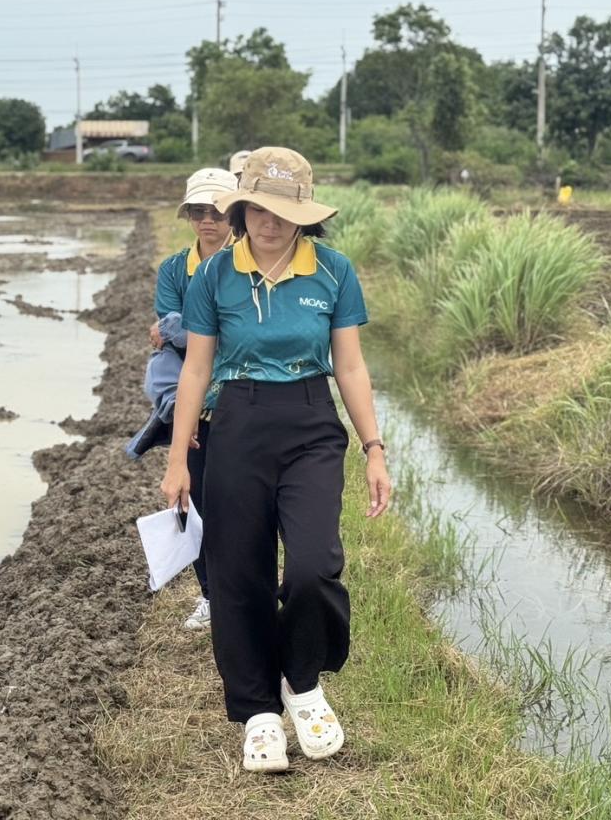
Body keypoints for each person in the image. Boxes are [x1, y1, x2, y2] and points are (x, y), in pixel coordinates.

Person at [160, 147, 391, 773]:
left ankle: (301, 680)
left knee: (315, 565)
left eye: (285, 210)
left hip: (313, 423)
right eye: (259, 208)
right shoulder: (214, 277)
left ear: (304, 215)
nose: (271, 222)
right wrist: (178, 458)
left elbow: (350, 365)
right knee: (240, 574)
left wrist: (374, 449)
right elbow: (198, 369)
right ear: (243, 208)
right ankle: (258, 711)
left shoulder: (334, 271)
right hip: (237, 420)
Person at [137, 166, 237, 631]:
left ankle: (245, 592)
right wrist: (186, 330)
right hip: (193, 403)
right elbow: (178, 333)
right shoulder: (175, 269)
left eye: (216, 211)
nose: (207, 221)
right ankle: (211, 595)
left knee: (242, 503)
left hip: (239, 397)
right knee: (194, 500)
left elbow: (231, 334)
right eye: (198, 212)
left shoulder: (248, 264)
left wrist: (182, 329)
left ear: (234, 213)